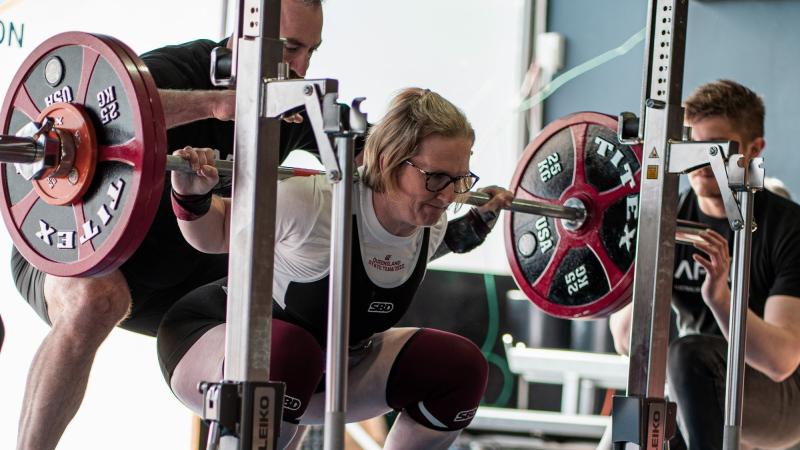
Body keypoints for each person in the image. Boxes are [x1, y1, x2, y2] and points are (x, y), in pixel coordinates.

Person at [11, 1, 324, 449]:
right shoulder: (184, 66)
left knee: (299, 326)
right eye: (291, 49)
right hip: (77, 246)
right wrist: (216, 104)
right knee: (96, 298)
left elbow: (377, 167)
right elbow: (110, 113)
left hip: (179, 278)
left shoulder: (294, 103)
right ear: (245, 35)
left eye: (311, 51)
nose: (301, 66)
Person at [158, 88, 514, 449]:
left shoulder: (430, 223)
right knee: (293, 352)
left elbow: (383, 259)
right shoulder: (311, 204)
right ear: (391, 160)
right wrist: (191, 194)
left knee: (459, 367)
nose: (448, 196)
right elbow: (215, 233)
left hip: (328, 368)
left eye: (460, 180)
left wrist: (470, 229)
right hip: (215, 343)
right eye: (436, 178)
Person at [609, 80, 800, 449]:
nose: (703, 163)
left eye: (718, 150)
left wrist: (720, 298)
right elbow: (623, 339)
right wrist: (654, 272)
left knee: (687, 357)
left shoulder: (789, 230)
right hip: (692, 385)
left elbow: (781, 361)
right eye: (694, 148)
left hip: (781, 398)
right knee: (637, 410)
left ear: (754, 149)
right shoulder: (668, 218)